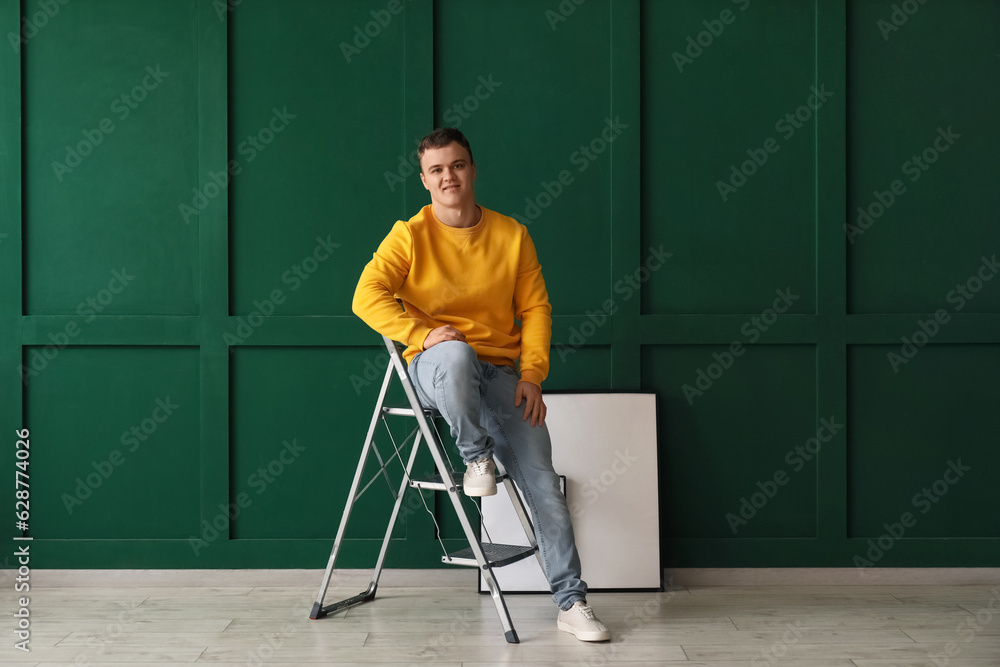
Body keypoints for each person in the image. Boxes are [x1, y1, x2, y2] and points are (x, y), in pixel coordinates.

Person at [351, 128, 610, 642]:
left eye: (458, 165)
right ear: (424, 179)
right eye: (437, 169)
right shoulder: (409, 235)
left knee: (545, 488)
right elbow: (366, 296)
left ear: (473, 170)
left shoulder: (512, 235)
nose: (449, 176)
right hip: (438, 371)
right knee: (454, 350)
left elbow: (536, 309)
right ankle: (475, 455)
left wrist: (533, 374)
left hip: (501, 376)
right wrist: (421, 333)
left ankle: (571, 601)